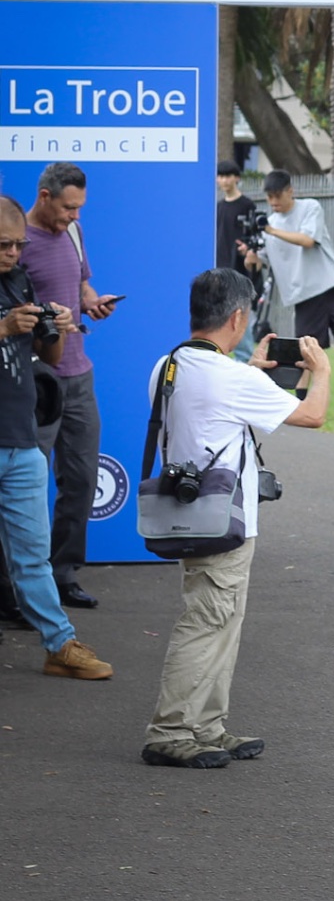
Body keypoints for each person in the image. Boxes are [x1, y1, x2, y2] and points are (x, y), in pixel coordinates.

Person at [140, 268, 331, 769]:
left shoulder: (170, 365)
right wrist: (324, 372)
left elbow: (213, 410)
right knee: (206, 622)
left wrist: (251, 367)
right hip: (224, 518)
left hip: (192, 511)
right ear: (239, 316)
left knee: (220, 620)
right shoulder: (234, 378)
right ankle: (170, 730)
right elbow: (313, 415)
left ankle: (207, 725)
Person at [0, 195, 110, 680]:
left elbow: (48, 356)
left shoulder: (19, 279)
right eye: (3, 245)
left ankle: (59, 644)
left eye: (18, 245)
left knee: (33, 554)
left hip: (21, 438)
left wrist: (56, 326)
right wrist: (3, 327)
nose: (12, 253)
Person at [21, 162, 116, 610]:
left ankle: (62, 575)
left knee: (80, 480)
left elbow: (79, 284)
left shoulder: (74, 233)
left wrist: (92, 302)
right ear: (44, 197)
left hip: (79, 374)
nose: (74, 216)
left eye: (79, 208)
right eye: (67, 208)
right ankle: (22, 585)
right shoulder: (15, 243)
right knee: (24, 487)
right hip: (36, 381)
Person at [245, 171, 334, 419]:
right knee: (305, 353)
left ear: (290, 191)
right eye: (269, 197)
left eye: (277, 196)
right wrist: (251, 256)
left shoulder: (309, 208)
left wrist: (270, 230)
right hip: (302, 295)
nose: (273, 202)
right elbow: (264, 261)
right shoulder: (269, 227)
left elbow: (307, 240)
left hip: (332, 285)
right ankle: (299, 403)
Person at [213, 160, 255, 274]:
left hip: (239, 262)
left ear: (237, 178)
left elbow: (253, 233)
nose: (224, 180)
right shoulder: (218, 207)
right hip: (219, 262)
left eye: (228, 176)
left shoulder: (247, 205)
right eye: (221, 176)